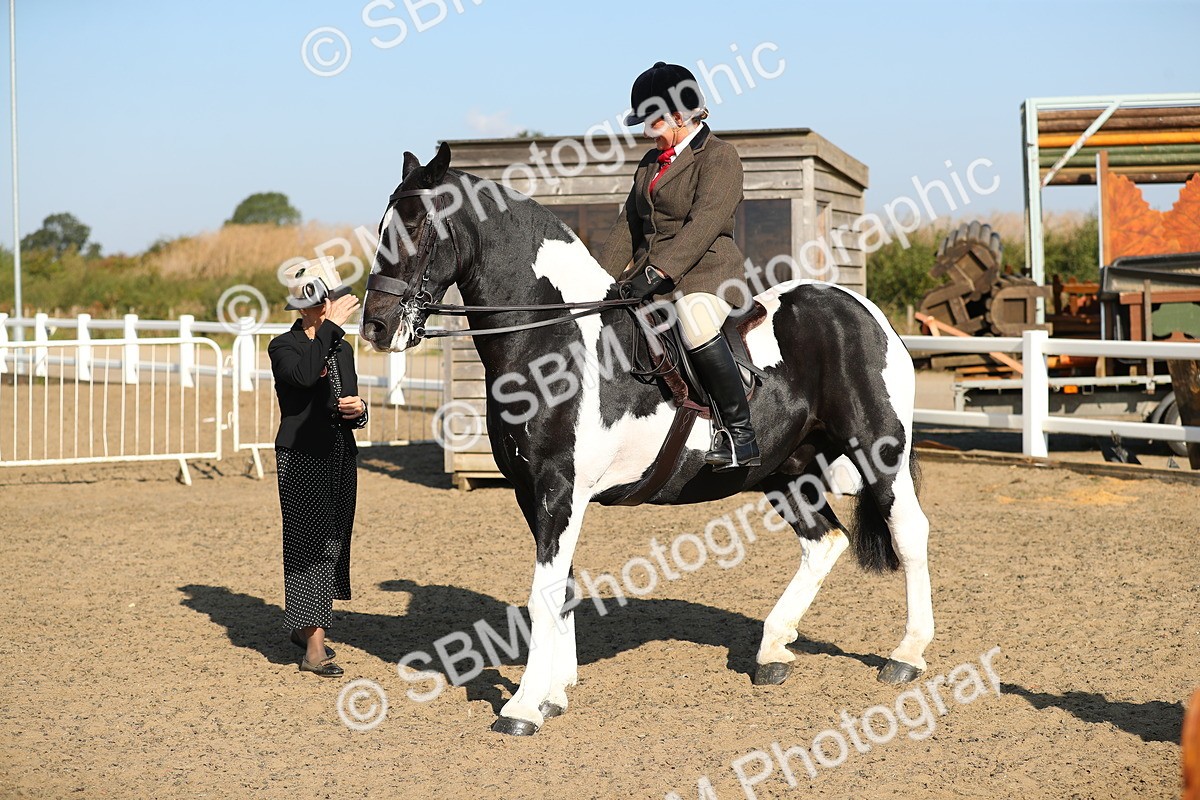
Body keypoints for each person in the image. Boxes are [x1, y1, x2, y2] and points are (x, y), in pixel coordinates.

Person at [599, 61, 760, 470]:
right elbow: (627, 228)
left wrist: (657, 273)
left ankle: (739, 433)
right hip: (652, 277)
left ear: (676, 116)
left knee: (695, 322)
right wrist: (598, 279)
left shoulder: (721, 157)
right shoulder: (649, 164)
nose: (643, 131)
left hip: (708, 273)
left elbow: (703, 225)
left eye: (649, 121)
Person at [267, 257, 368, 677]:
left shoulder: (341, 347)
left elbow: (350, 398)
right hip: (301, 456)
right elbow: (307, 377)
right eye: (325, 300)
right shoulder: (283, 346)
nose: (331, 306)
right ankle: (314, 650)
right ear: (306, 306)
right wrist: (332, 328)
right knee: (309, 544)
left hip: (339, 453)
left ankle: (304, 624)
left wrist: (359, 411)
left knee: (333, 540)